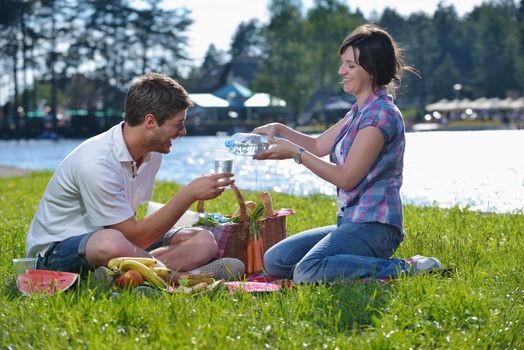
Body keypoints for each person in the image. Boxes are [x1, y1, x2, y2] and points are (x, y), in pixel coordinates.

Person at [253, 24, 442, 283]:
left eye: (350, 66)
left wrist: (295, 153)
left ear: (372, 70)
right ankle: (353, 265)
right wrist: (280, 129)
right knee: (274, 261)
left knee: (307, 271)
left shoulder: (379, 115)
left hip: (376, 228)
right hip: (351, 223)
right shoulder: (359, 111)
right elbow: (319, 146)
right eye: (343, 64)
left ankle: (408, 268)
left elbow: (346, 178)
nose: (342, 71)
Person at [26, 73, 244, 281]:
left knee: (203, 239)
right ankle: (179, 279)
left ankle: (125, 276)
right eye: (178, 124)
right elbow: (133, 238)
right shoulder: (96, 162)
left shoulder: (152, 154)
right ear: (150, 121)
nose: (183, 131)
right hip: (58, 251)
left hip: (118, 239)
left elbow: (133, 233)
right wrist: (188, 194)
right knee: (110, 242)